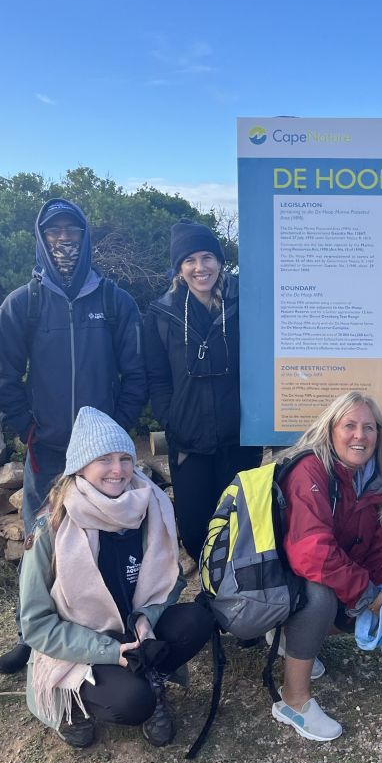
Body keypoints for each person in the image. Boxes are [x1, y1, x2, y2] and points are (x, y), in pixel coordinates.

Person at [0, 198, 147, 675]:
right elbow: (2, 375)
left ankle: (112, 630)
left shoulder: (116, 301)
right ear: (41, 238)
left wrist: (115, 435)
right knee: (43, 541)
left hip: (104, 457)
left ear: (85, 237)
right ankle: (32, 633)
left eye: (71, 232)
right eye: (53, 232)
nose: (63, 241)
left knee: (111, 540)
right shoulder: (25, 302)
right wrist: (28, 428)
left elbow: (135, 375)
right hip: (50, 449)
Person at [20, 407, 215, 749]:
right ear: (80, 466)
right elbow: (36, 625)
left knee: (198, 618)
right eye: (104, 459)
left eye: (125, 458)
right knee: (132, 703)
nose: (118, 469)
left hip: (135, 627)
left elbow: (172, 582)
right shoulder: (50, 526)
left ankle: (151, 679)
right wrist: (111, 651)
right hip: (83, 641)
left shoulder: (149, 506)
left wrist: (144, 620)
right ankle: (74, 704)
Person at [270, 392, 382, 741]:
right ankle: (292, 701)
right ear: (331, 430)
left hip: (315, 579)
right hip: (275, 585)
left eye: (369, 427)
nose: (360, 435)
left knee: (347, 597)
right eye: (350, 425)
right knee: (321, 596)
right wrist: (371, 597)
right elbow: (312, 553)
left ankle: (288, 638)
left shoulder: (372, 482)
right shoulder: (310, 470)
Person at [143, 220, 260, 561]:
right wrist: (171, 418)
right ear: (179, 266)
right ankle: (213, 597)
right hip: (189, 443)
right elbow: (157, 377)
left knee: (239, 529)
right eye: (190, 259)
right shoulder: (162, 314)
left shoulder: (246, 302)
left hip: (239, 440)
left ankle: (236, 605)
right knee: (195, 532)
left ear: (220, 261)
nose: (200, 268)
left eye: (207, 257)